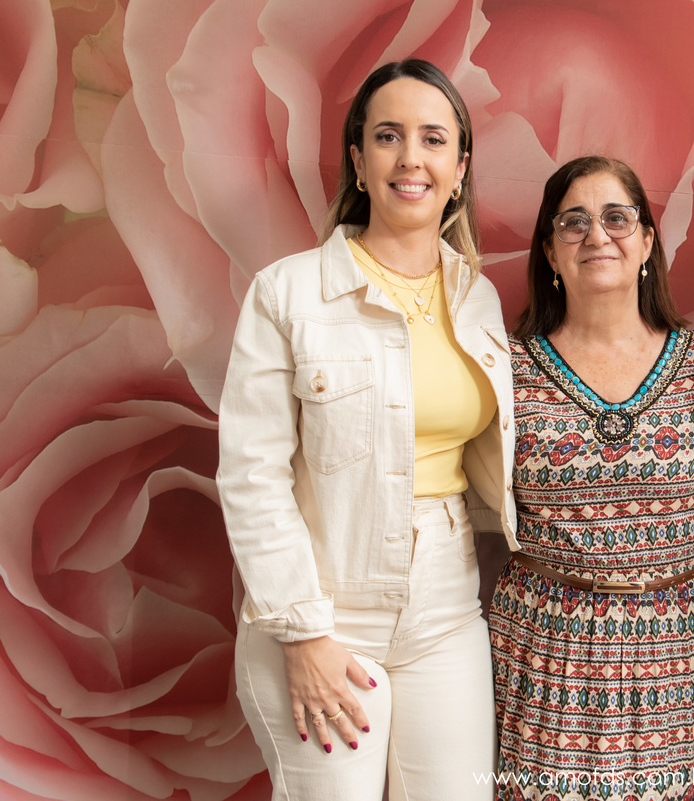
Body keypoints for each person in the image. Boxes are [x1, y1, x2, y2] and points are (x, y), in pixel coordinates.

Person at [216, 59, 517, 801]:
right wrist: (302, 632)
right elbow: (251, 475)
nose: (411, 158)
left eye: (433, 139)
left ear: (460, 168)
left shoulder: (477, 296)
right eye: (388, 136)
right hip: (326, 609)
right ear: (358, 160)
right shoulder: (288, 293)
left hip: (447, 610)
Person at [487, 156, 694, 801]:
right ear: (549, 252)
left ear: (646, 242)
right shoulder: (506, 370)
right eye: (573, 222)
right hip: (545, 652)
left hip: (678, 654)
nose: (597, 235)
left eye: (617, 218)